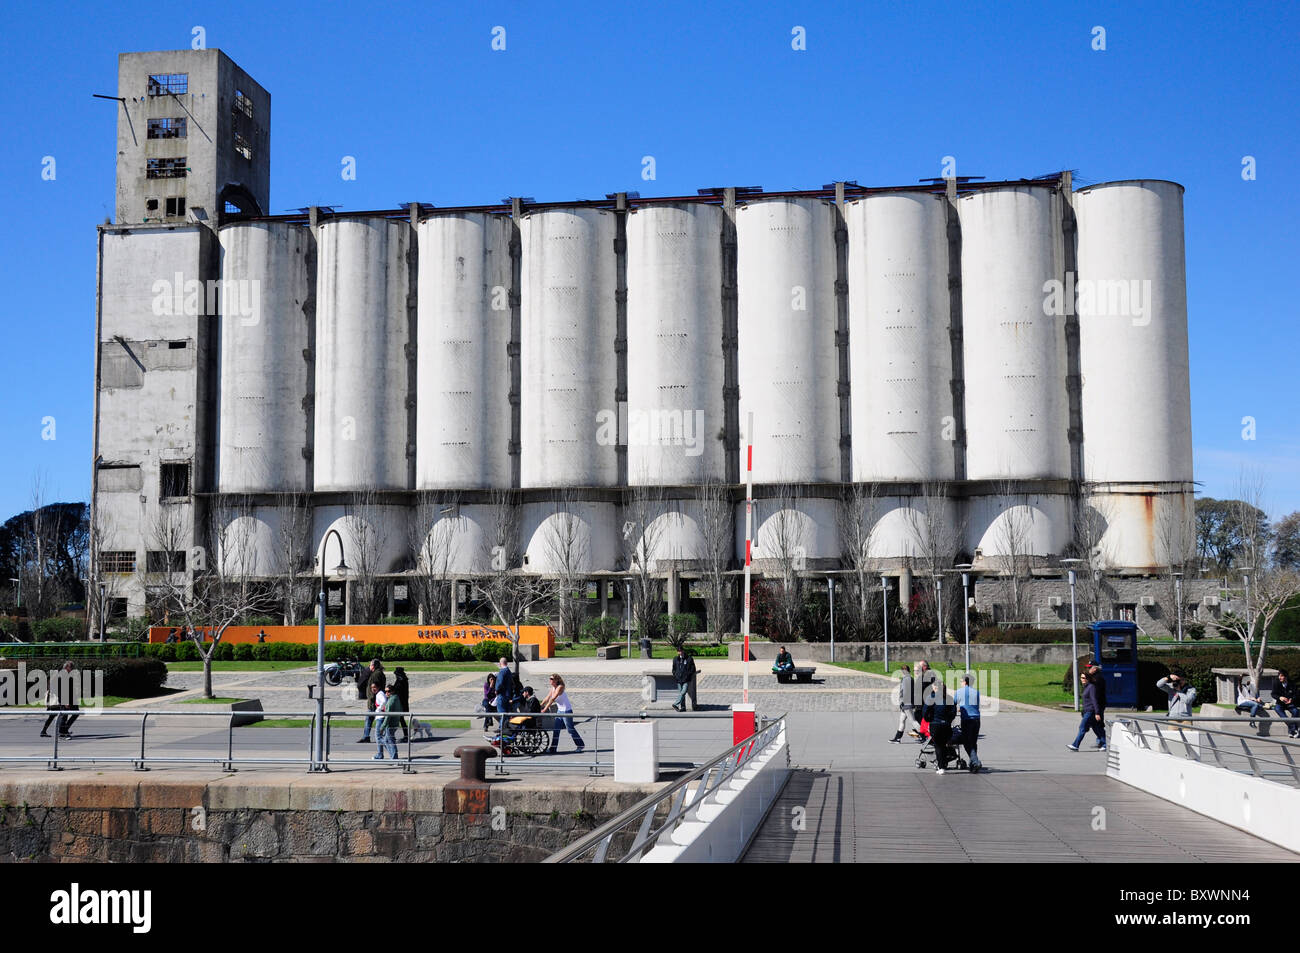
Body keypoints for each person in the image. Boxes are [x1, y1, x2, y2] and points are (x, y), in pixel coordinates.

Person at [539, 674, 585, 754]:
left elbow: (553, 698)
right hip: (559, 711)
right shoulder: (553, 688)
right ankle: (553, 749)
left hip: (566, 711)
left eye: (552, 679)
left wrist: (545, 709)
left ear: (556, 680)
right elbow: (547, 698)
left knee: (570, 729)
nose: (550, 680)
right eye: (550, 678)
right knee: (556, 730)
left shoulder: (560, 687)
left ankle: (580, 745)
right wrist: (540, 706)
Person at [1068, 670, 1107, 752]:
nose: (1081, 679)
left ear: (1088, 679)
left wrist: (1097, 713)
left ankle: (1075, 745)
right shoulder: (1086, 687)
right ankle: (1105, 744)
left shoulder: (1091, 687)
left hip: (1091, 712)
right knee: (1096, 728)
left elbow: (1094, 700)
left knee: (1082, 728)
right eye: (1081, 677)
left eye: (1083, 678)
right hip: (1087, 711)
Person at [40, 661, 81, 739]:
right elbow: (60, 690)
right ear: (66, 667)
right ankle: (62, 732)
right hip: (65, 699)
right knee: (64, 715)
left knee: (73, 713)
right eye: (71, 667)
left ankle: (63, 730)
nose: (72, 669)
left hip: (70, 698)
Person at [954, 673, 983, 769]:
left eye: (961, 681)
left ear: (965, 682)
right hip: (976, 719)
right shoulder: (976, 692)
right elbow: (976, 705)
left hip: (966, 719)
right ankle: (973, 764)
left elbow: (953, 704)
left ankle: (975, 761)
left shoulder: (959, 692)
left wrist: (960, 709)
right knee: (973, 742)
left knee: (966, 742)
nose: (960, 683)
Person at [373, 677, 401, 760]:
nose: (386, 693)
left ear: (392, 691)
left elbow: (387, 716)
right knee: (385, 740)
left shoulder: (390, 701)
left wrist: (382, 727)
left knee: (390, 741)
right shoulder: (396, 698)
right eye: (385, 691)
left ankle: (394, 758)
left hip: (391, 724)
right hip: (395, 723)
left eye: (388, 691)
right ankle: (392, 756)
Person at [358, 659, 385, 743]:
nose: (369, 667)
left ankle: (367, 736)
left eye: (370, 665)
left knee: (370, 719)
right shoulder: (377, 673)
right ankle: (367, 736)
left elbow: (374, 688)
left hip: (374, 702)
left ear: (374, 666)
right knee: (370, 719)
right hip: (374, 701)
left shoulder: (376, 675)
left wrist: (372, 698)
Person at [889, 665, 916, 743]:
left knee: (913, 721)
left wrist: (903, 702)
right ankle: (897, 738)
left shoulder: (907, 679)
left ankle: (925, 736)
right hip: (906, 703)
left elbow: (905, 692)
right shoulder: (908, 678)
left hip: (906, 704)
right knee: (902, 720)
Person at [1272, 669, 1300, 737]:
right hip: (1280, 703)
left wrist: (1291, 699)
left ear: (1286, 677)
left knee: (1296, 711)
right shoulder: (1276, 683)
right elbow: (1273, 694)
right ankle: (1293, 728)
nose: (1279, 677)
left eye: (1281, 676)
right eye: (1279, 676)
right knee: (1277, 708)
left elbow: (1297, 694)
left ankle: (1291, 731)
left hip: (1290, 703)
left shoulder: (1292, 684)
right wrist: (1280, 697)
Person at [672, 646, 696, 712]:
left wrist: (688, 675)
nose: (680, 652)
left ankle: (676, 704)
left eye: (681, 651)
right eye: (679, 651)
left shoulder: (689, 659)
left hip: (686, 679)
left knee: (683, 692)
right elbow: (674, 669)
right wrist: (675, 675)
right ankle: (683, 707)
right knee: (681, 693)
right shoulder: (675, 659)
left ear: (683, 651)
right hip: (679, 679)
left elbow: (693, 669)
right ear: (677, 652)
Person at [391, 666, 411, 744]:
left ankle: (404, 735)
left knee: (399, 720)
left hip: (400, 703)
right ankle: (405, 735)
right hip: (402, 702)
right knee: (401, 720)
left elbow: (396, 690)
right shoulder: (403, 680)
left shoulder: (401, 681)